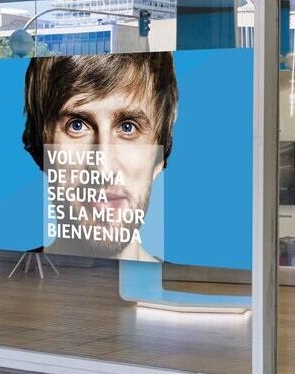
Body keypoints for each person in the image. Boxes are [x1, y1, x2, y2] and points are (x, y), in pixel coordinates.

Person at [22, 52, 178, 262]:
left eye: (128, 127)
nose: (103, 170)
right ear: (41, 150)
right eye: (77, 125)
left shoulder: (193, 284)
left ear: (159, 158)